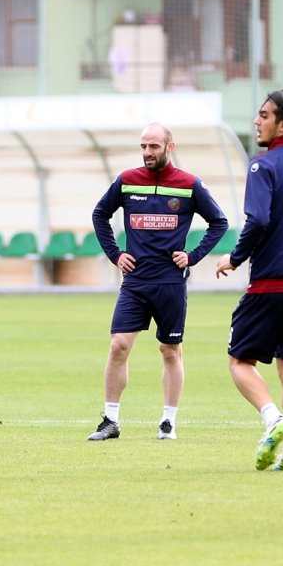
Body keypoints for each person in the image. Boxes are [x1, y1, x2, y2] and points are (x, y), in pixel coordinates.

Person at [88, 122, 228, 441]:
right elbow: (100, 214)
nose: (148, 153)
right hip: (135, 283)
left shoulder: (189, 184)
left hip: (170, 284)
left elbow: (219, 222)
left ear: (170, 147)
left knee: (170, 350)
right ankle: (110, 420)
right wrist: (115, 254)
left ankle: (168, 422)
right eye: (143, 147)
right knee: (118, 345)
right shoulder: (127, 181)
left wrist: (192, 256)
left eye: (153, 146)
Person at [215, 89, 283, 472]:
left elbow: (258, 220)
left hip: (271, 284)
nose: (256, 121)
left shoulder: (263, 166)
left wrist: (234, 257)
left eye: (264, 115)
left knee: (239, 360)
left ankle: (273, 420)